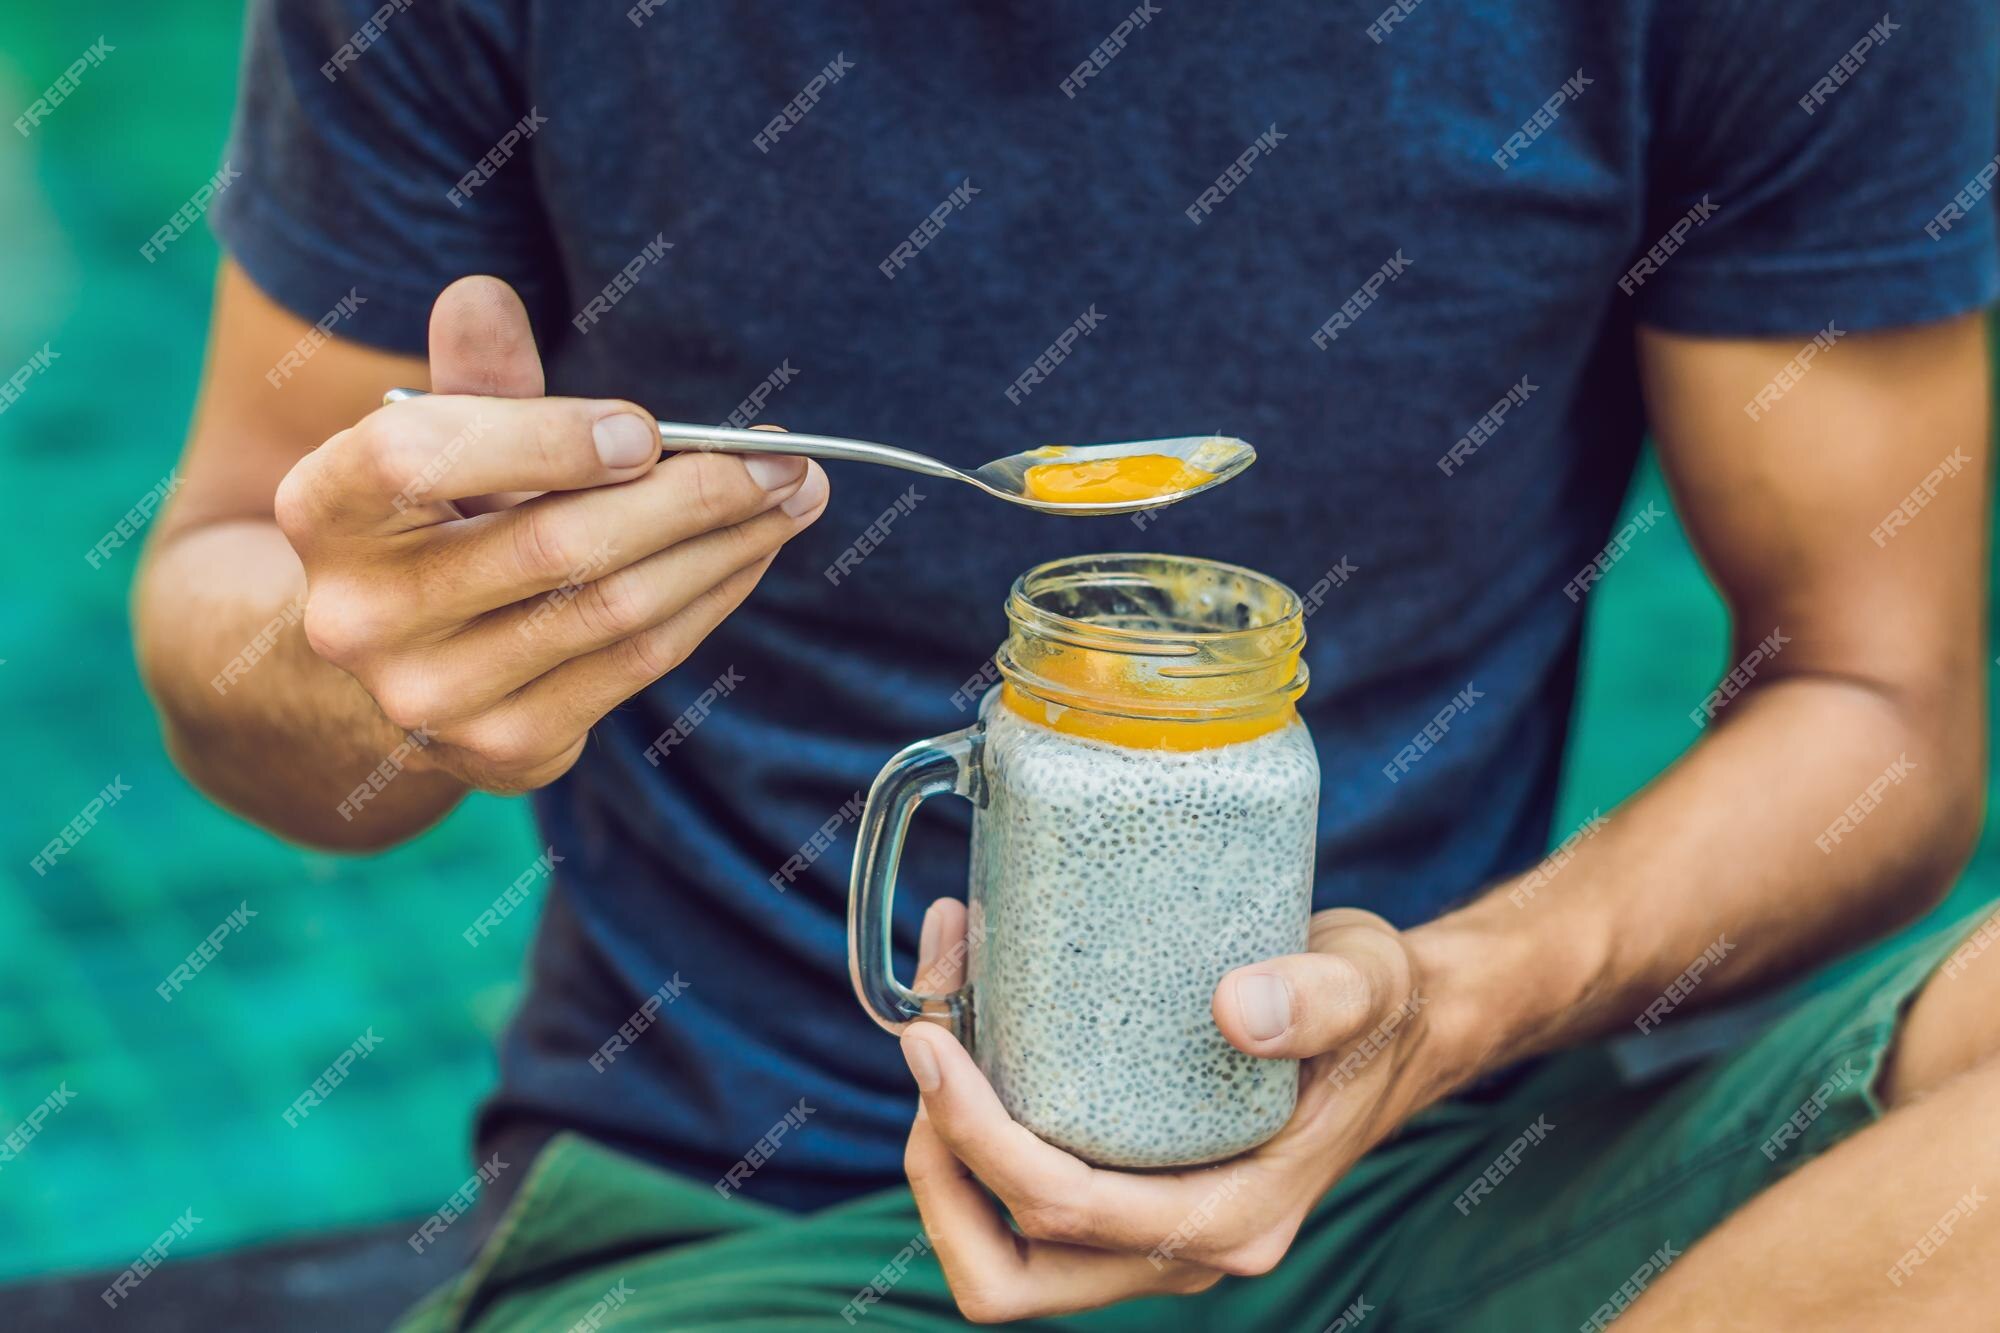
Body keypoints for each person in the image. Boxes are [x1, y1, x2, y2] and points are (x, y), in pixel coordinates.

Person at [136, 1, 2000, 1327]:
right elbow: (231, 582)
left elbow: (1879, 710)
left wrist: (1447, 1008)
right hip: (749, 1237)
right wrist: (358, 655)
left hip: (1443, 1159)